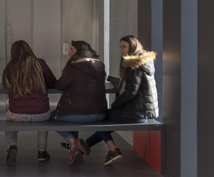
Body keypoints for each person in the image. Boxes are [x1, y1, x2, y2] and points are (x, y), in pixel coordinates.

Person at [85, 35, 159, 165]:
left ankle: (113, 150)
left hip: (135, 113)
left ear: (133, 47)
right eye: (120, 47)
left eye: (124, 47)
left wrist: (115, 105)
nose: (121, 50)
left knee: (99, 116)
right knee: (106, 118)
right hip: (143, 112)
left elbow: (130, 94)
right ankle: (85, 145)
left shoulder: (133, 65)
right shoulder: (144, 62)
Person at [1, 40, 57, 165]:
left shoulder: (11, 66)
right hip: (41, 113)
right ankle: (42, 151)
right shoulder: (40, 63)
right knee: (44, 121)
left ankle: (12, 146)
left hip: (17, 114)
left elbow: (11, 82)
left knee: (9, 121)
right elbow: (53, 82)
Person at [53, 40, 107, 165]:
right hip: (100, 113)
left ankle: (74, 143)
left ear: (79, 52)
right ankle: (74, 150)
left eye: (72, 50)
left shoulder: (73, 67)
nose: (69, 53)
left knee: (52, 118)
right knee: (71, 111)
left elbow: (60, 85)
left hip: (79, 114)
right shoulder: (100, 66)